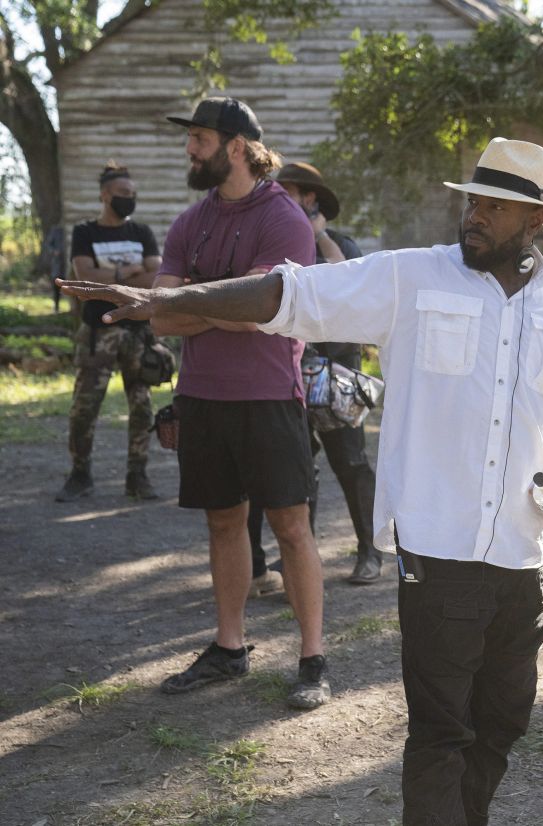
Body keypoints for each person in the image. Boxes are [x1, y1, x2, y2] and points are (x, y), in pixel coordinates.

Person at [59, 136, 543, 826]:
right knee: (442, 734)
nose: (474, 215)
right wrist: (166, 296)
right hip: (438, 555)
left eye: (494, 207)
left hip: (527, 559)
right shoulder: (412, 279)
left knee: (502, 724)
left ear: (535, 221)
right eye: (472, 200)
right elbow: (288, 293)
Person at [154, 97, 329, 708]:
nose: (189, 149)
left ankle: (313, 658)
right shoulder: (188, 222)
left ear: (235, 146)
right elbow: (160, 317)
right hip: (201, 396)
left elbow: (262, 315)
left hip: (268, 397)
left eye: (198, 138)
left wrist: (194, 307)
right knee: (223, 521)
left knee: (290, 526)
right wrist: (217, 309)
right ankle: (230, 648)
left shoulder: (285, 220)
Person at [244, 161, 383, 592]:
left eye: (291, 191)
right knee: (298, 473)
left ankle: (370, 551)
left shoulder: (339, 243)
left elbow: (355, 290)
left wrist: (317, 234)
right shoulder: (276, 242)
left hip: (337, 376)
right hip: (288, 376)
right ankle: (300, 566)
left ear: (311, 198)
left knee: (352, 465)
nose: (281, 197)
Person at [55, 162, 162, 503]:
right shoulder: (86, 232)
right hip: (97, 333)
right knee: (85, 406)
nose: (130, 199)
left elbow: (155, 279)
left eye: (133, 194)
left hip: (138, 332)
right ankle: (80, 474)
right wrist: (127, 271)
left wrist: (108, 277)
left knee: (143, 407)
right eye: (123, 194)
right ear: (105, 195)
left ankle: (137, 476)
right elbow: (82, 276)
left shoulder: (142, 232)